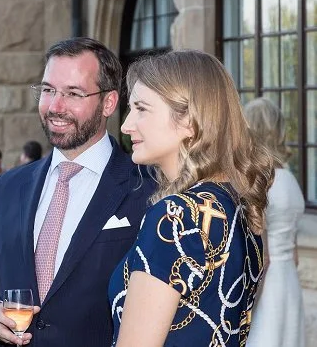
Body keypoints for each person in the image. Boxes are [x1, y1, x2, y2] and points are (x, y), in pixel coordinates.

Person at [0, 37, 156, 347]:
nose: (55, 106)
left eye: (73, 93)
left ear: (108, 102)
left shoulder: (148, 188)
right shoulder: (8, 188)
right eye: (48, 90)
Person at [108, 50, 275, 346]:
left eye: (141, 109)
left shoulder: (175, 216)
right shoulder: (244, 205)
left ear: (189, 120)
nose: (126, 125)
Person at [244, 97, 306, 347]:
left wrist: (247, 306)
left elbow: (264, 256)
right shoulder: (289, 179)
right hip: (289, 282)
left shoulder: (261, 183)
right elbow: (295, 255)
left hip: (268, 287)